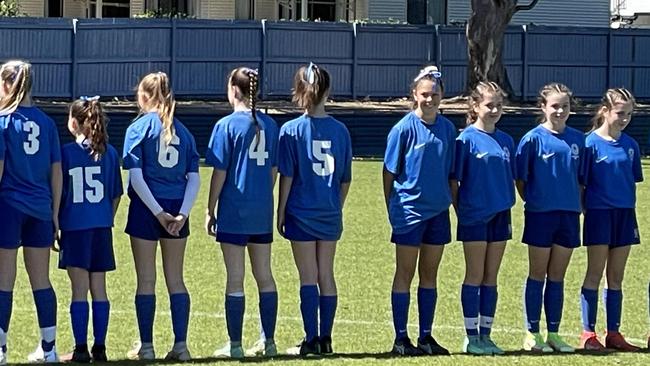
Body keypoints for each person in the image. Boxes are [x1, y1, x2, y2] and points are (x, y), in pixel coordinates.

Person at [122, 72, 200, 361]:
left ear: (144, 96)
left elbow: (136, 177)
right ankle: (181, 346)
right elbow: (194, 178)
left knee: (145, 280)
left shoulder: (138, 128)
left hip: (146, 209)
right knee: (176, 279)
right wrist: (181, 214)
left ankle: (147, 346)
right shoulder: (185, 132)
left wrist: (157, 212)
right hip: (177, 208)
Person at [277, 63, 352, 356]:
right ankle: (326, 339)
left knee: (308, 276)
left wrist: (280, 212)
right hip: (329, 212)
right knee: (326, 274)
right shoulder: (340, 130)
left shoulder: (291, 131)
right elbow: (345, 179)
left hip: (301, 212)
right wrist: (336, 207)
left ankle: (310, 339)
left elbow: (288, 177)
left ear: (299, 91)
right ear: (328, 91)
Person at [205, 67, 279, 359]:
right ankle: (268, 341)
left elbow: (219, 172)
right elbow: (273, 170)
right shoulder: (271, 125)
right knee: (265, 276)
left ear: (233, 90)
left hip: (235, 210)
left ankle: (235, 345)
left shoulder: (226, 126)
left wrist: (210, 209)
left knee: (235, 278)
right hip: (261, 210)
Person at [383, 66, 454, 356]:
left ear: (442, 96)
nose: (430, 99)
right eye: (424, 94)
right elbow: (388, 173)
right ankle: (401, 339)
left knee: (430, 275)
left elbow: (451, 172)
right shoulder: (402, 129)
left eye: (434, 94)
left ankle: (426, 336)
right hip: (409, 213)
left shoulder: (448, 129)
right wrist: (393, 208)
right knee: (405, 273)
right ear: (414, 95)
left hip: (438, 213)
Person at [0, 60, 62, 364]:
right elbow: (56, 171)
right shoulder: (47, 123)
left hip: (8, 208)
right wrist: (55, 212)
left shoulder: (2, 121)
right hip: (40, 208)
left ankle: (0, 349)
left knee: (3, 280)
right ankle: (49, 348)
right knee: (41, 280)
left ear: (8, 85)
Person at [516, 82, 583, 353]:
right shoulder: (532, 139)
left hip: (568, 216)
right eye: (555, 106)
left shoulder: (580, 140)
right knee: (538, 274)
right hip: (540, 215)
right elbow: (521, 179)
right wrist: (535, 200)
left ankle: (554, 332)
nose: (560, 111)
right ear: (543, 107)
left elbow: (582, 179)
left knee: (557, 276)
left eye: (565, 106)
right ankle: (532, 333)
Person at [58, 96, 123, 362]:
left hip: (75, 226)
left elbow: (60, 192)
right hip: (101, 226)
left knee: (78, 290)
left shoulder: (65, 153)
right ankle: (100, 348)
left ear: (74, 123)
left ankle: (80, 349)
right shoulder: (110, 153)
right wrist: (107, 216)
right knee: (100, 288)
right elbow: (116, 194)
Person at [453, 82, 515, 355]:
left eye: (499, 105)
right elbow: (453, 181)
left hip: (501, 214)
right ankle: (471, 336)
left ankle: (486, 335)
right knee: (475, 275)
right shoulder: (465, 139)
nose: (494, 110)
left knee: (491, 277)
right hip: (474, 215)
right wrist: (462, 210)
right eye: (489, 105)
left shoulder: (506, 141)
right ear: (475, 106)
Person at [579, 88, 641, 352]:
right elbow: (581, 185)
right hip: (599, 215)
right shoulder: (589, 144)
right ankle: (588, 333)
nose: (624, 118)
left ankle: (613, 332)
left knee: (616, 277)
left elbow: (632, 181)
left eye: (628, 114)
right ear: (605, 111)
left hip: (625, 215)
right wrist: (588, 211)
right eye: (619, 113)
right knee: (595, 274)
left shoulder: (631, 145)